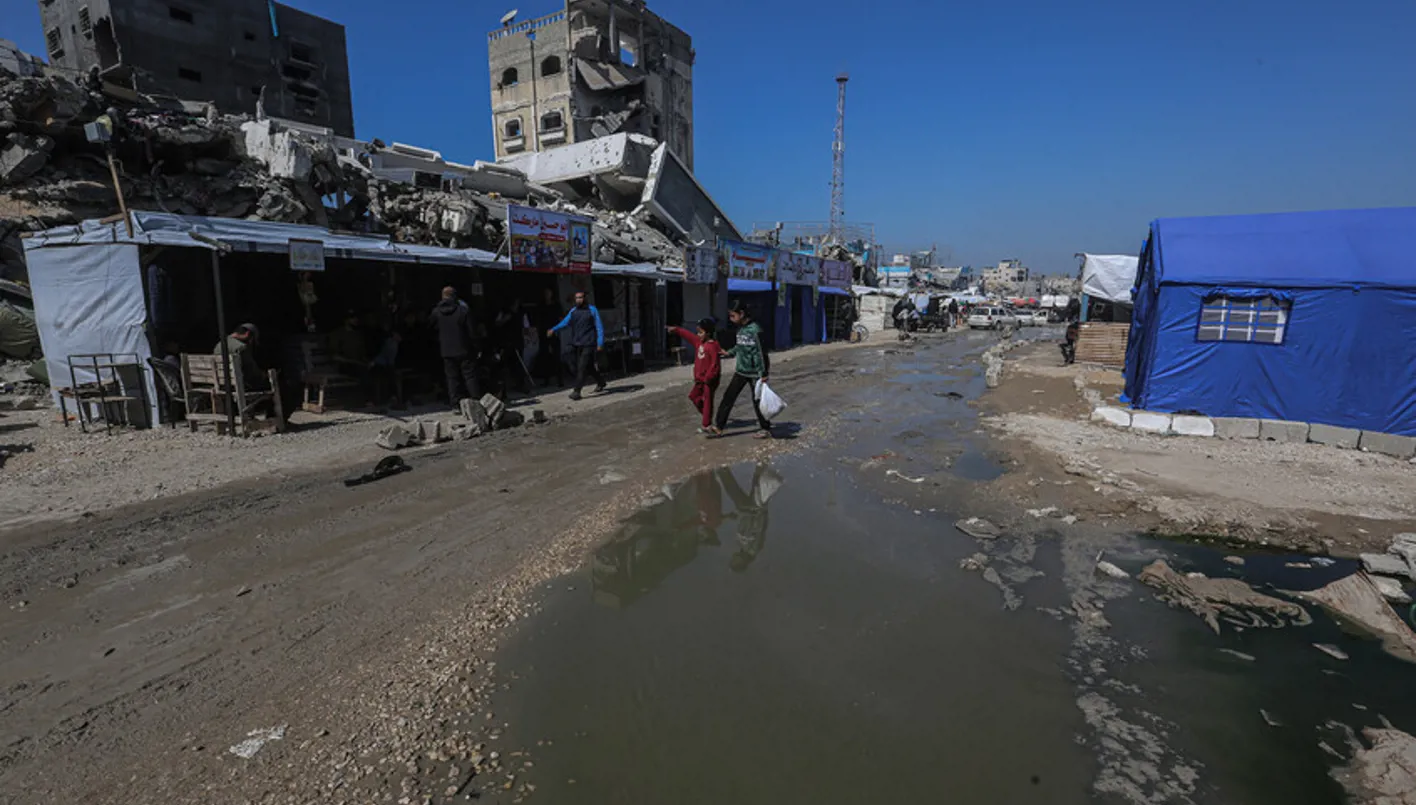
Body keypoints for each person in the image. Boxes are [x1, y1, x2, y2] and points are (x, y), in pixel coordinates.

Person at [712, 300, 772, 439]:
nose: (731, 319)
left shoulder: (755, 330)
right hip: (741, 371)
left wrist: (764, 373)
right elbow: (739, 347)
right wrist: (728, 352)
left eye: (733, 315)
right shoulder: (740, 330)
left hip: (755, 373)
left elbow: (762, 352)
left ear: (742, 313)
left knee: (757, 401)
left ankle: (765, 428)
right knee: (728, 397)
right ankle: (719, 426)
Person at [667, 317, 724, 434]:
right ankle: (707, 418)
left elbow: (715, 365)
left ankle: (706, 424)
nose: (698, 335)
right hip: (699, 379)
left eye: (701, 332)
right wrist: (676, 329)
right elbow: (688, 335)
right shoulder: (699, 342)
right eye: (698, 332)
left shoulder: (713, 346)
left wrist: (708, 378)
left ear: (708, 333)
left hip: (709, 380)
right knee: (694, 396)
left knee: (707, 400)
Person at [548, 290, 604, 400]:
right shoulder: (573, 311)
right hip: (578, 342)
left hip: (589, 342)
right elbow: (565, 322)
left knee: (582, 367)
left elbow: (599, 327)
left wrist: (600, 342)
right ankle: (601, 382)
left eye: (580, 297)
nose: (578, 300)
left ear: (585, 298)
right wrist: (554, 329)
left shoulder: (592, 310)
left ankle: (577, 391)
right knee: (589, 366)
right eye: (577, 298)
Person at [430, 286, 480, 408]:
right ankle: (476, 401)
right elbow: (472, 332)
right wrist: (476, 346)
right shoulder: (463, 311)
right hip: (464, 348)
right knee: (470, 376)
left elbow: (430, 327)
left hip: (446, 349)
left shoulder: (436, 312)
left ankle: (455, 404)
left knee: (452, 378)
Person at [530, 287, 565, 387]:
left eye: (548, 293)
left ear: (551, 294)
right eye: (545, 293)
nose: (547, 295)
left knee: (557, 356)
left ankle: (560, 379)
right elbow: (537, 319)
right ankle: (546, 380)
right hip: (543, 332)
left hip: (553, 331)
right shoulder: (541, 305)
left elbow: (561, 318)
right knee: (544, 356)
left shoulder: (556, 305)